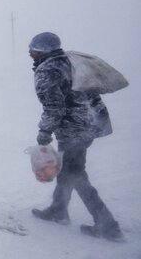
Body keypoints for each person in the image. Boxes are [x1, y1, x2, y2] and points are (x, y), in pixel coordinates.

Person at [29, 32, 124, 242]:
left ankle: (107, 225)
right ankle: (58, 209)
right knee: (69, 170)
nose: (29, 51)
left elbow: (54, 107)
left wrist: (44, 132)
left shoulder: (48, 71)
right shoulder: (69, 63)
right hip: (87, 124)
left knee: (76, 175)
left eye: (33, 48)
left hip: (73, 129)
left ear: (43, 50)